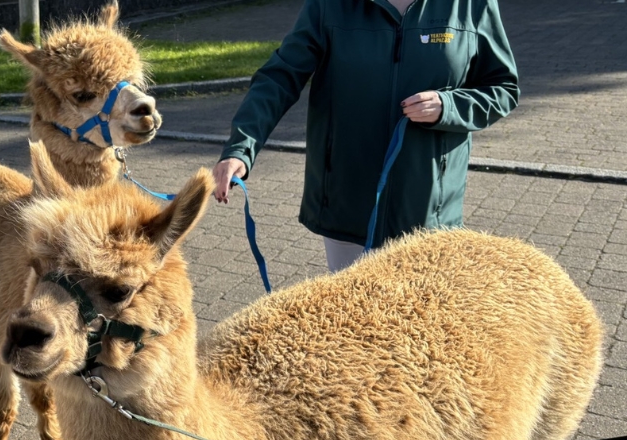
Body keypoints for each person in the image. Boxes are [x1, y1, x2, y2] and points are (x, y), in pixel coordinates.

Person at [213, 0, 519, 272]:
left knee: (419, 327)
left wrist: (449, 106)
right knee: (354, 328)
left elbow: (502, 89)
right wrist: (241, 147)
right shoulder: (329, 6)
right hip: (347, 208)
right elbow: (280, 77)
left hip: (429, 212)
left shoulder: (471, 5)